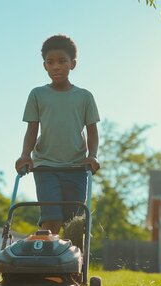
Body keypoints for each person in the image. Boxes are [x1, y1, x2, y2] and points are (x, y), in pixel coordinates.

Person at [15, 34, 100, 235]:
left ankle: (75, 265)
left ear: (73, 64)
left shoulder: (84, 97)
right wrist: (25, 155)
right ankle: (46, 263)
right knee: (51, 219)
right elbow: (32, 129)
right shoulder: (37, 94)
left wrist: (93, 155)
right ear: (44, 65)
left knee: (74, 224)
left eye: (62, 61)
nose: (56, 66)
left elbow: (92, 132)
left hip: (77, 168)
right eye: (50, 62)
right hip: (45, 166)